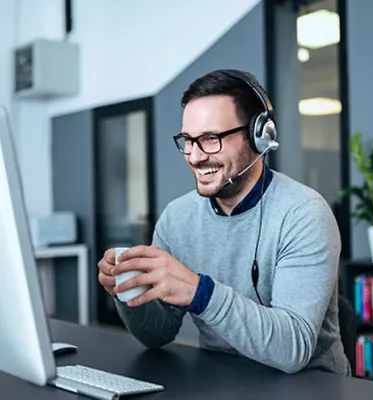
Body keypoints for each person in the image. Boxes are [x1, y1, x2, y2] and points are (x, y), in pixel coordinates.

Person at [97, 69, 350, 376]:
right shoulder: (176, 219)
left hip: (310, 389)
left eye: (210, 139)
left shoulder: (304, 214)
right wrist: (129, 290)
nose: (194, 156)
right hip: (222, 381)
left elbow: (292, 350)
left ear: (259, 136)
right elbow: (158, 334)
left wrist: (200, 293)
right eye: (188, 140)